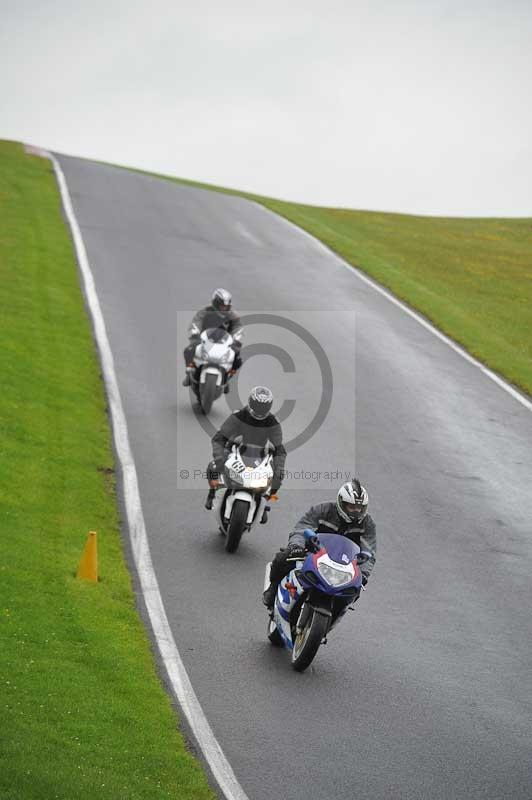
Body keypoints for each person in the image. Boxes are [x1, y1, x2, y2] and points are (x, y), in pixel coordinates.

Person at [262, 479, 376, 608]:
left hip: (345, 564)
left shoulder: (367, 523)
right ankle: (273, 589)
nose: (356, 512)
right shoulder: (323, 509)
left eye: (360, 508)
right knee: (282, 558)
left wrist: (364, 573)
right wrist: (297, 546)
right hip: (313, 553)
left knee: (356, 588)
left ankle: (338, 610)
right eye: (352, 507)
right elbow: (301, 528)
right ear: (341, 503)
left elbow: (369, 551)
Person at [205, 387, 286, 506]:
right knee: (212, 467)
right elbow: (219, 438)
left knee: (278, 477)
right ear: (251, 402)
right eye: (257, 405)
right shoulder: (238, 415)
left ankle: (263, 501)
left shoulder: (273, 422)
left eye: (263, 407)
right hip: (234, 450)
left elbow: (279, 449)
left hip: (261, 456)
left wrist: (279, 468)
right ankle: (212, 493)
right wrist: (219, 458)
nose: (259, 410)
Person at [183, 288, 243, 387]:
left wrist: (236, 339)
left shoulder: (233, 315)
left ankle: (227, 377)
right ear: (215, 303)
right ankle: (189, 373)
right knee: (189, 350)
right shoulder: (205, 311)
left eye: (226, 306)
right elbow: (196, 322)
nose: (224, 308)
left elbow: (238, 327)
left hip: (224, 342)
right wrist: (195, 334)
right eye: (222, 306)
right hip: (204, 340)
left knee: (238, 358)